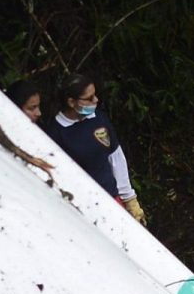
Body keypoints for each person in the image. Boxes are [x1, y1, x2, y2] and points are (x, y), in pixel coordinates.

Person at [42, 73, 147, 225]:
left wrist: (129, 199)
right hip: (85, 210)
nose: (96, 100)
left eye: (95, 95)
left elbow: (115, 157)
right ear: (71, 102)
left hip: (113, 198)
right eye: (89, 98)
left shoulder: (98, 118)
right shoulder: (55, 133)